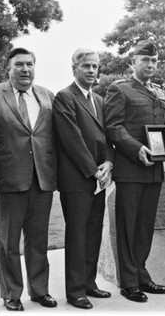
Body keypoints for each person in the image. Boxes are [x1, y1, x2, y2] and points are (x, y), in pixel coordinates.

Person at [0, 48, 57, 311]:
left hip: (43, 180)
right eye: (19, 65)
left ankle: (40, 291)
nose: (25, 69)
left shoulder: (47, 96)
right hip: (9, 181)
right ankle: (11, 294)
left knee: (38, 241)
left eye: (29, 64)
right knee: (9, 243)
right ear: (9, 69)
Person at [104, 39, 165, 303]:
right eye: (145, 60)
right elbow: (114, 127)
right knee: (128, 226)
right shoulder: (119, 89)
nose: (150, 64)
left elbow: (161, 128)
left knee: (144, 227)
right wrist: (136, 149)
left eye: (154, 60)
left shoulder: (160, 92)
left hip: (155, 170)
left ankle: (142, 275)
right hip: (131, 169)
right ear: (133, 62)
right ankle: (128, 282)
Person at [52, 48, 114, 310]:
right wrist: (94, 171)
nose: (91, 70)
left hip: (99, 179)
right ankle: (75, 291)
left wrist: (109, 163)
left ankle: (89, 283)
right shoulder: (65, 97)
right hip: (77, 180)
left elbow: (108, 136)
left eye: (95, 66)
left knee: (93, 235)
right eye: (86, 66)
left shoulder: (99, 100)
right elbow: (71, 140)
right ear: (74, 68)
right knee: (78, 236)